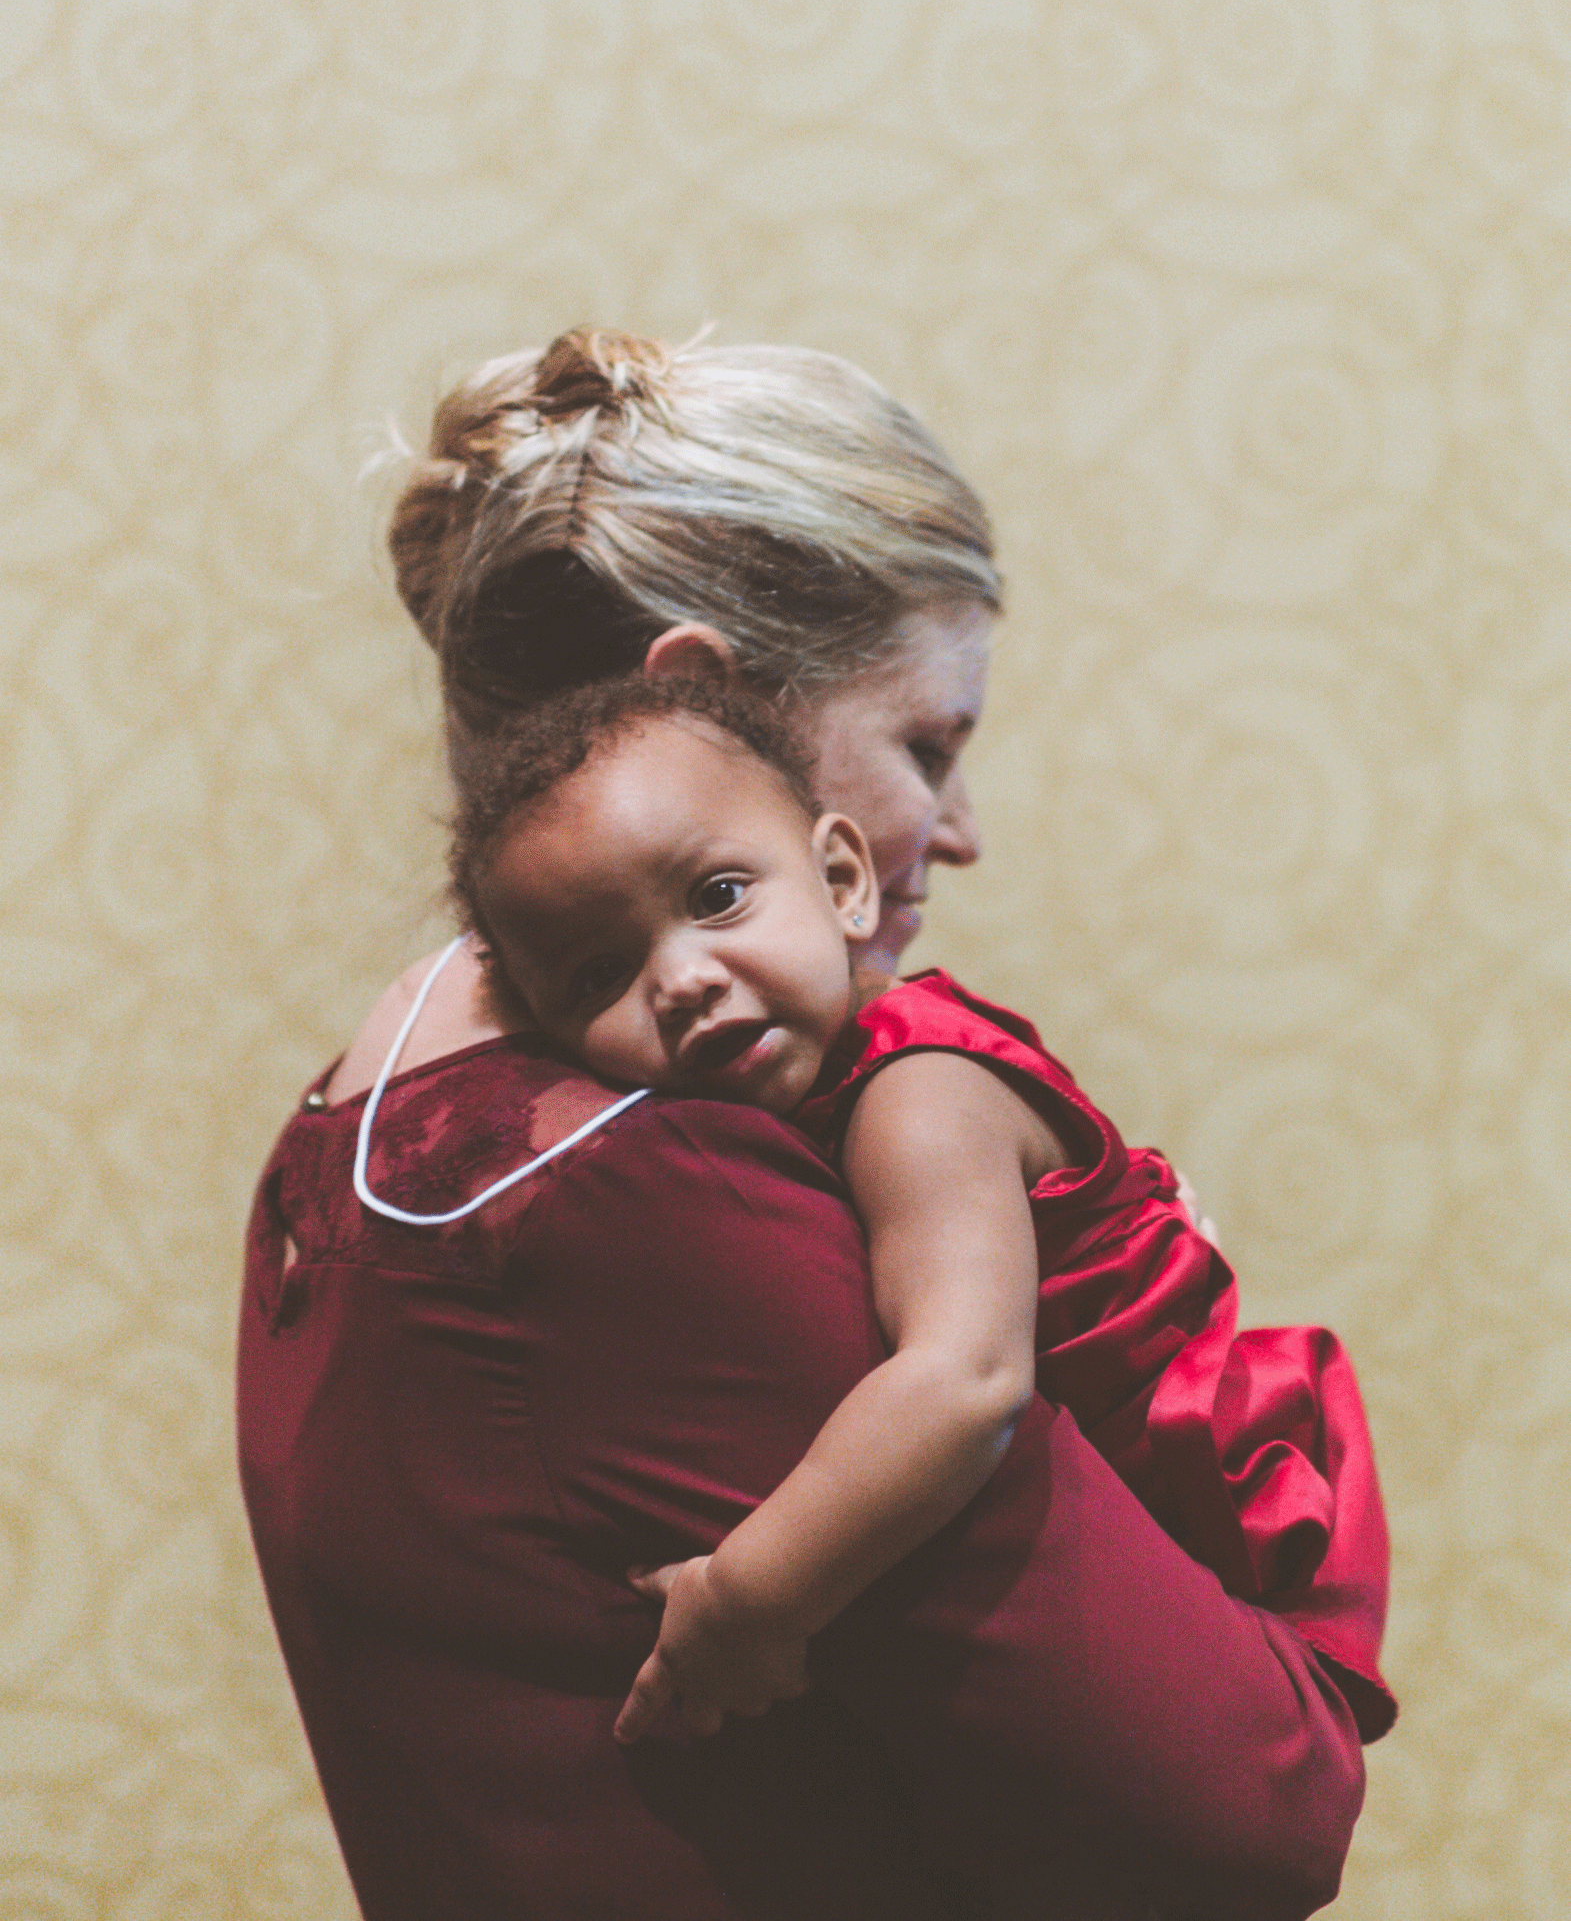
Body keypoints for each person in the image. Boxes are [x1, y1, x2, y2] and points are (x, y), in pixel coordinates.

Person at [238, 329, 1377, 1920]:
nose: (954, 832)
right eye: (925, 743)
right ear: (699, 692)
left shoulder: (362, 1123)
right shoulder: (636, 1191)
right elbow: (1251, 1809)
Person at [437, 673, 1394, 1752]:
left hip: (1215, 1531)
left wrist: (750, 1597)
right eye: (598, 973)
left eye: (714, 897)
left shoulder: (915, 1094)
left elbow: (962, 1381)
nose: (682, 979)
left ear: (842, 878)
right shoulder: (756, 1128)